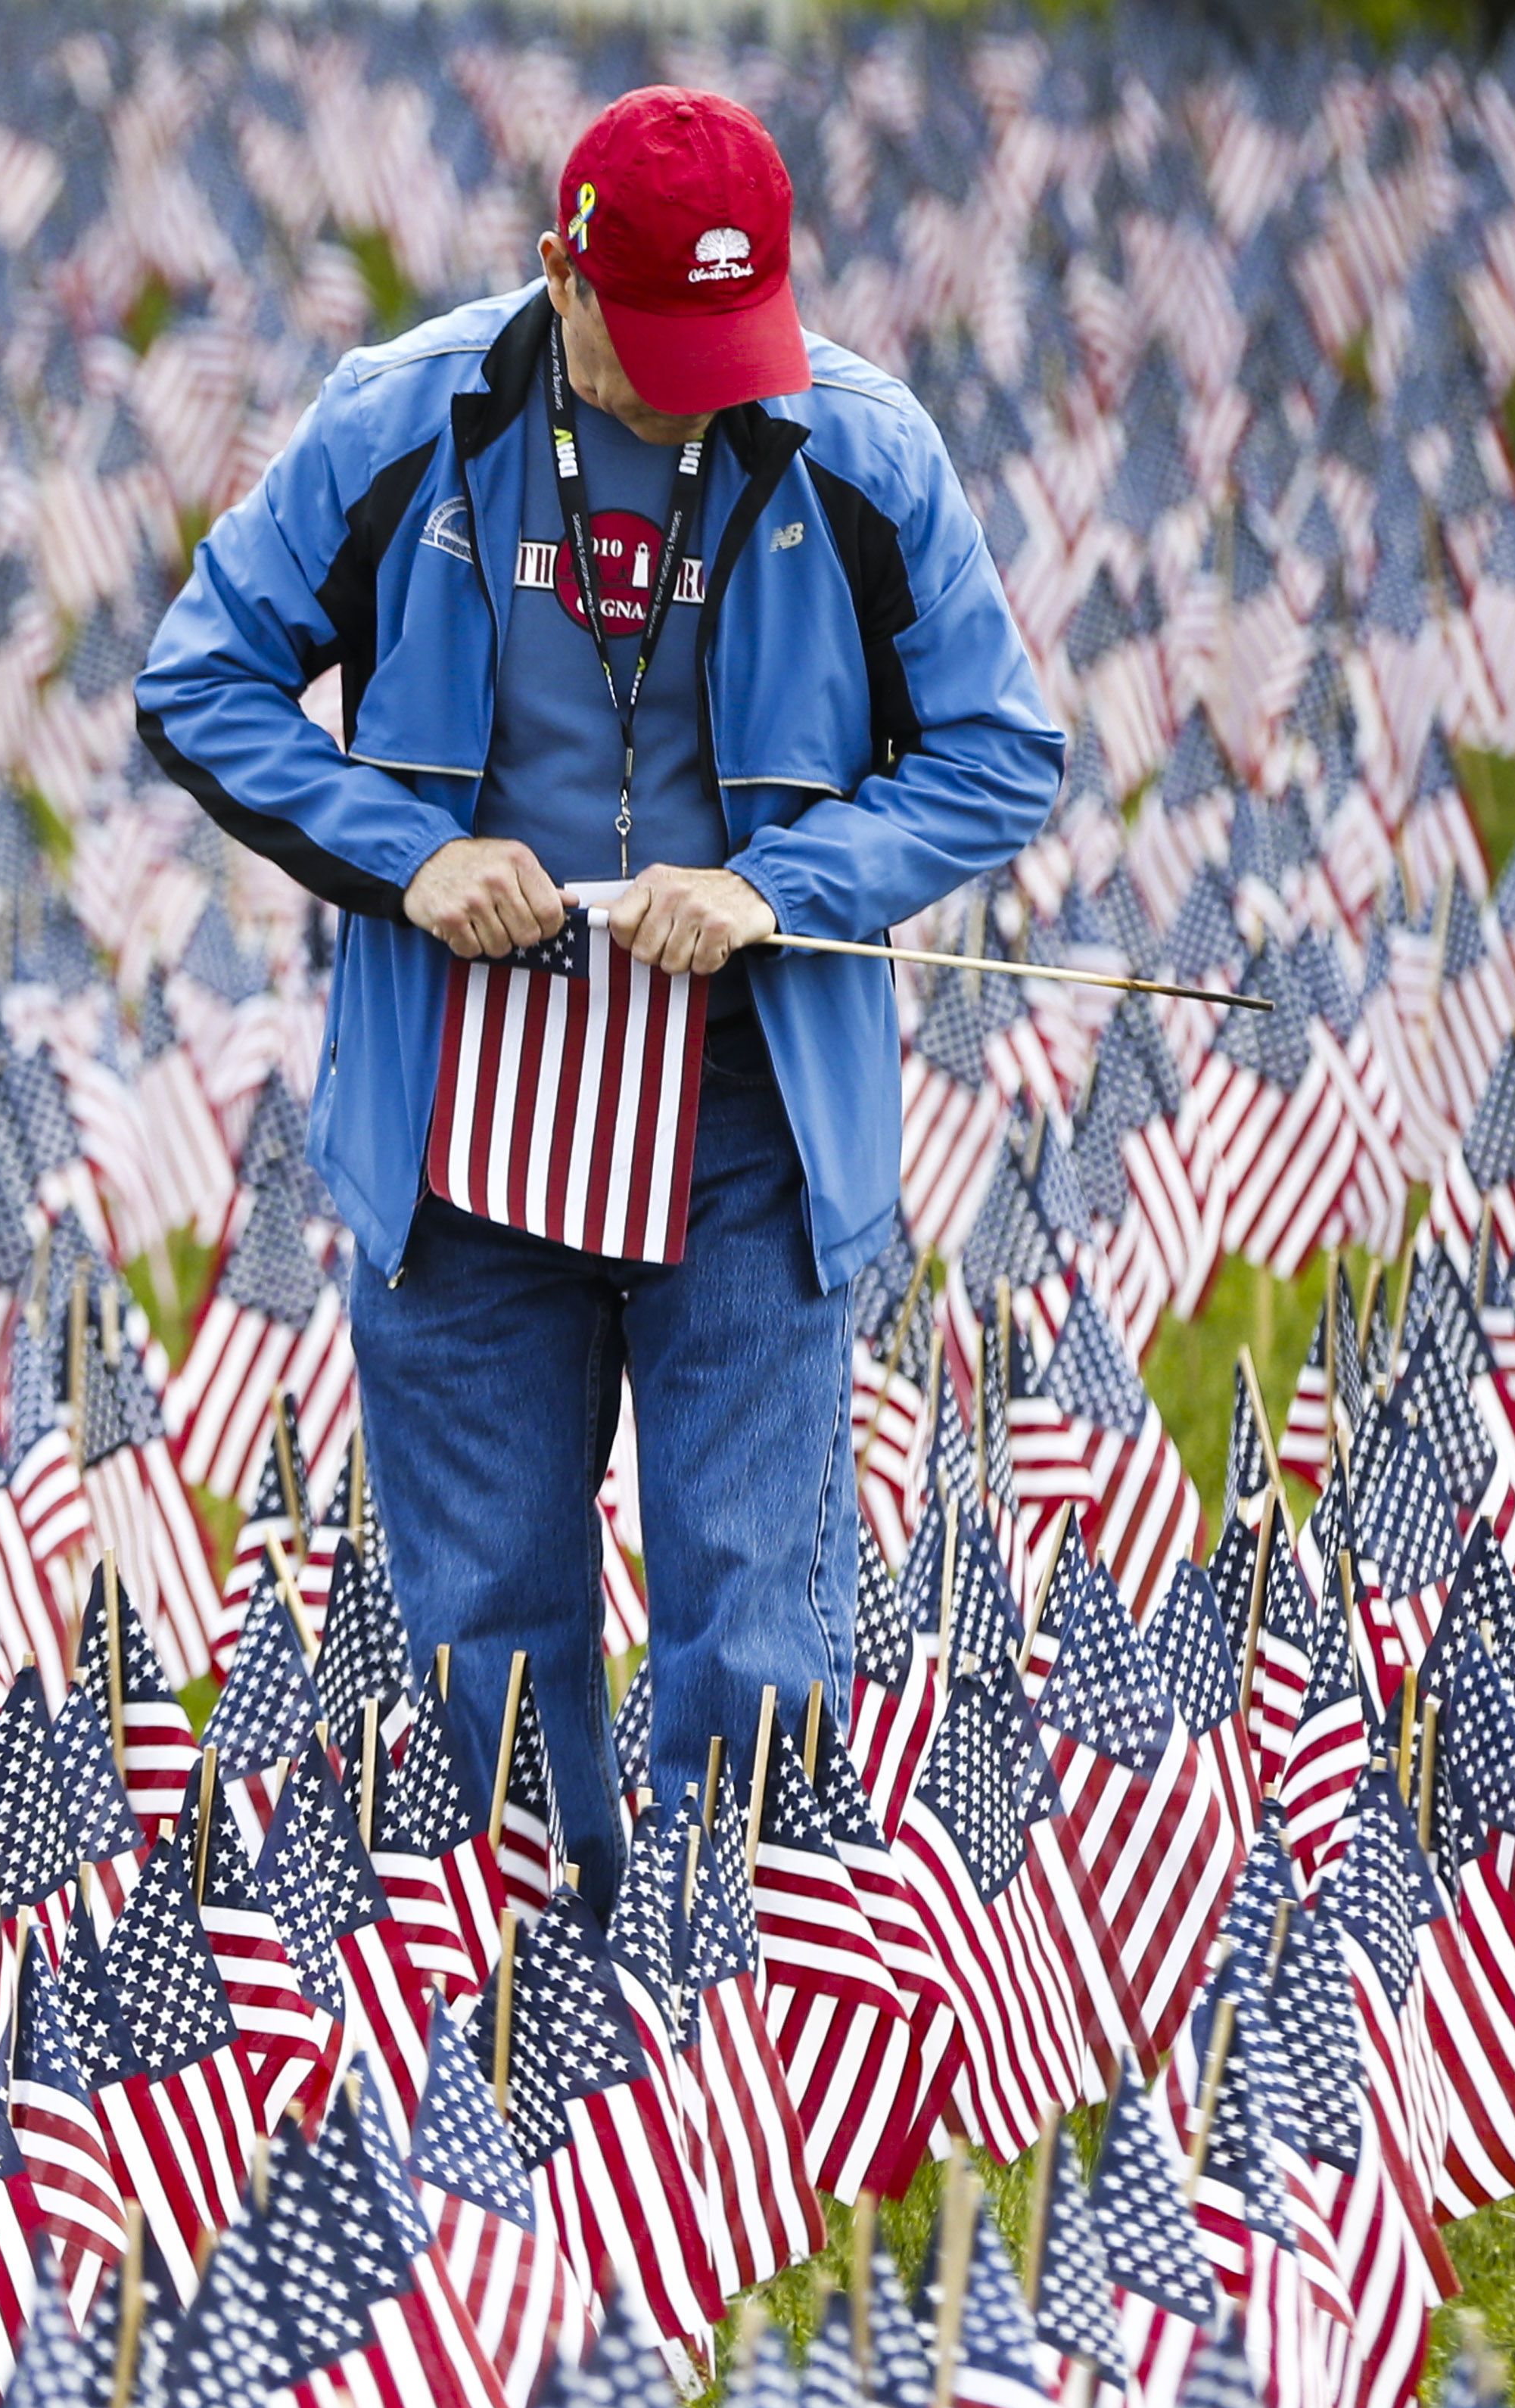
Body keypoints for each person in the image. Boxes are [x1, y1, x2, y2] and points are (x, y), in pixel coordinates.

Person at [136, 86, 1062, 1909]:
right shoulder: (398, 426)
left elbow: (997, 751)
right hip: (462, 1110)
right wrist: (402, 854)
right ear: (559, 272)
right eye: (658, 349)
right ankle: (525, 2059)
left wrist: (774, 887)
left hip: (743, 1118)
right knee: (482, 1621)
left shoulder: (859, 453)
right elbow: (200, 679)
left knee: (751, 1611)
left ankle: (742, 2073)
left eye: (735, 344)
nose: (704, 389)